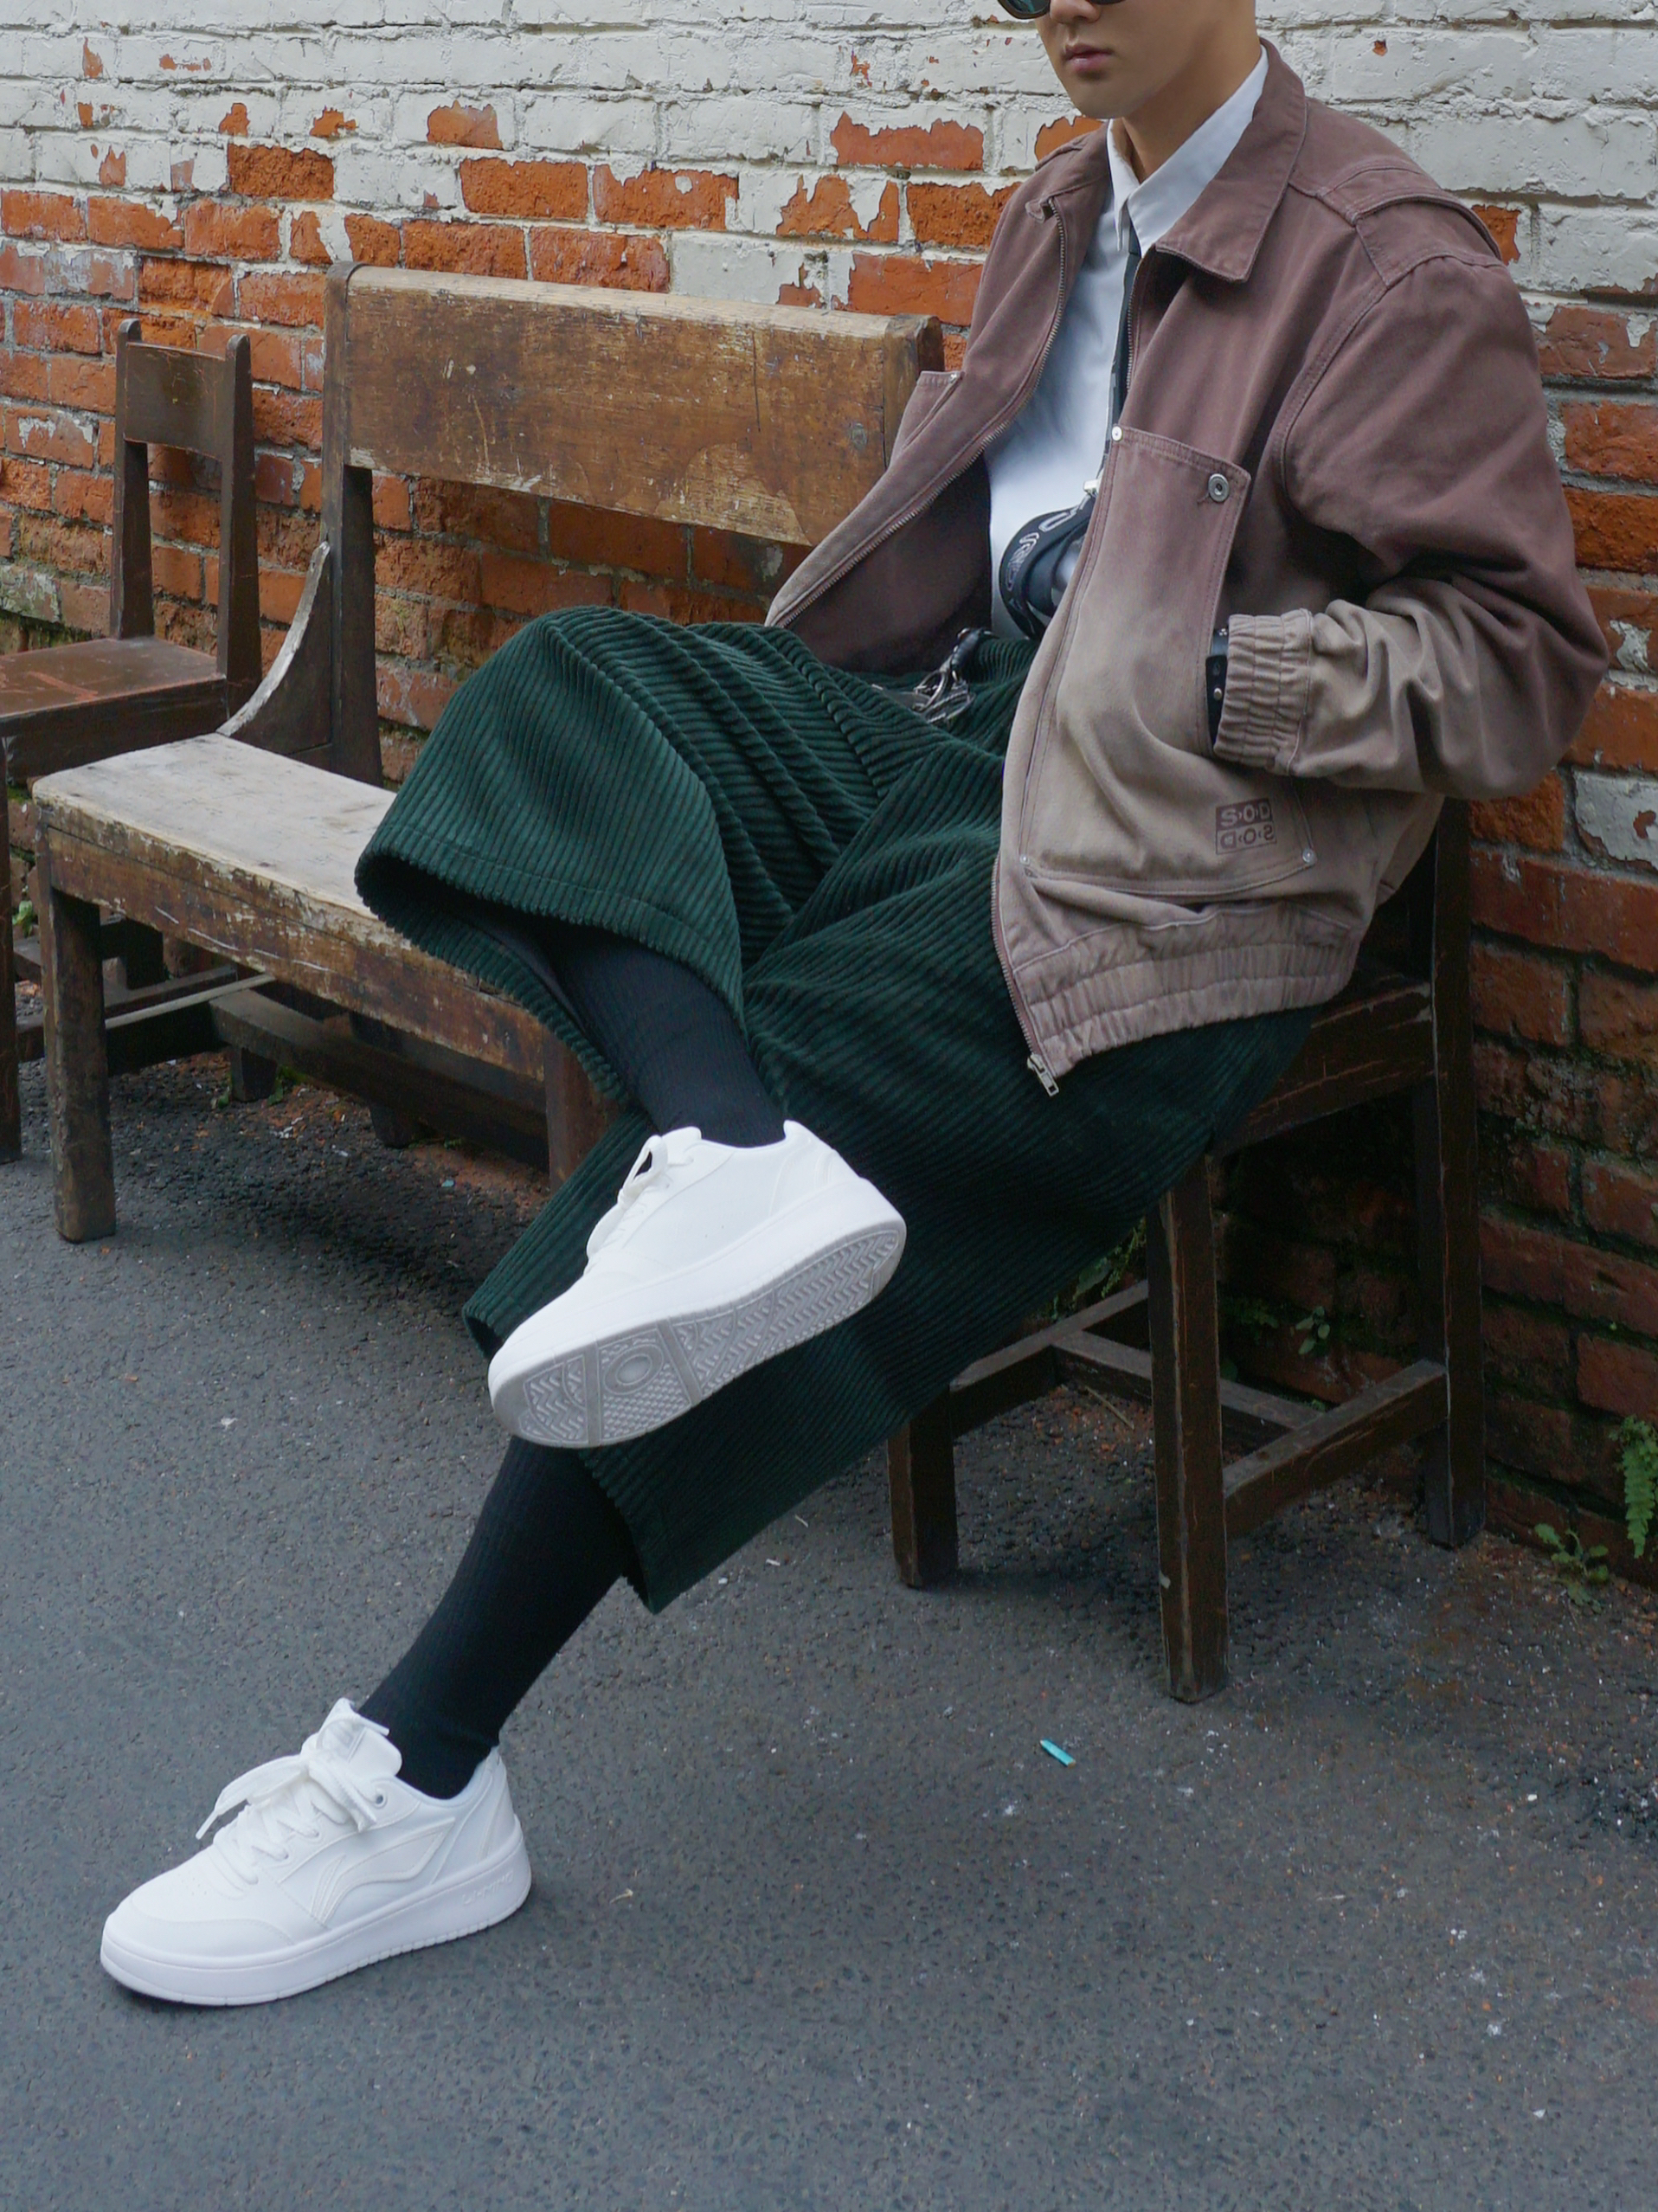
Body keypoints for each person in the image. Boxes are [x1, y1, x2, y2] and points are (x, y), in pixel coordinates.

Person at [100, 0, 1604, 2007]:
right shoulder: (1058, 211)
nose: (1057, 2)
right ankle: (730, 1161)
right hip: (949, 747)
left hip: (1179, 855)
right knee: (569, 690)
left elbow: (1515, 667)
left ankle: (420, 1769)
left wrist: (1191, 662)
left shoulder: (1385, 263)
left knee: (830, 1051)